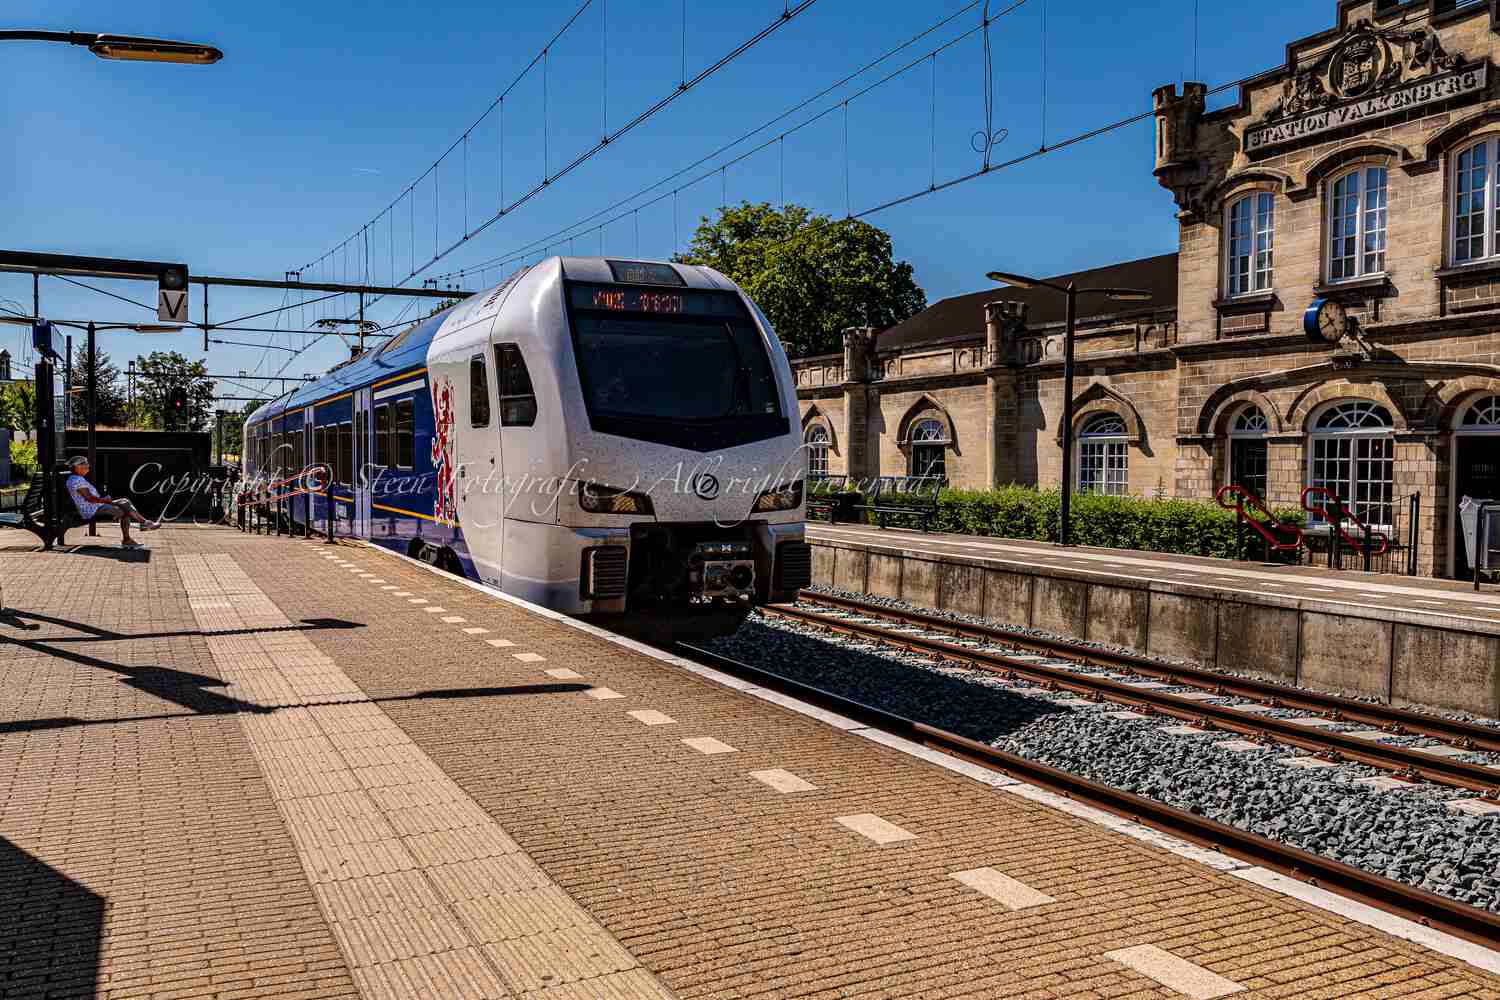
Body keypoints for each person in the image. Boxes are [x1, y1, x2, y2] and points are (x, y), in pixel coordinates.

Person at [63, 457, 160, 549]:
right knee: (126, 509)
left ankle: (143, 525)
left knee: (124, 502)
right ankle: (138, 529)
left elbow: (90, 498)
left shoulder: (76, 479)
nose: (88, 466)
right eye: (85, 464)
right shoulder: (77, 480)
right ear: (77, 467)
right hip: (91, 510)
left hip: (95, 506)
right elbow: (90, 498)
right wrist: (106, 500)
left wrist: (104, 500)